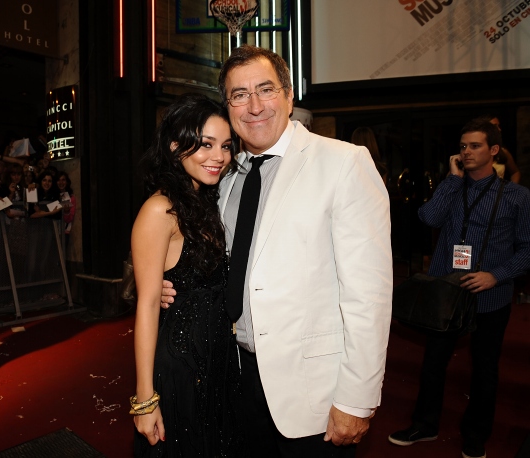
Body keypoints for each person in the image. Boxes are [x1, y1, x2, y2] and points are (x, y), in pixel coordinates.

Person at [161, 45, 392, 457]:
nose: (254, 106)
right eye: (239, 95)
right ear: (227, 106)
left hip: (313, 390)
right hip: (234, 377)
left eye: (265, 89)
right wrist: (170, 284)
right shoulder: (225, 177)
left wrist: (357, 398)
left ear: (288, 95)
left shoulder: (342, 163)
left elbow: (369, 296)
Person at [388, 118, 530, 458]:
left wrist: (495, 275)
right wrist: (452, 180)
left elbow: (527, 249)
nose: (466, 152)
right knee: (433, 362)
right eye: (463, 146)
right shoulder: (453, 188)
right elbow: (429, 218)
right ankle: (425, 425)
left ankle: (475, 436)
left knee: (485, 368)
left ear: (494, 150)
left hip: (490, 295)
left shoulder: (517, 196)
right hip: (445, 293)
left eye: (475, 146)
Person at [132, 93, 242, 457]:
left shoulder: (206, 201)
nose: (219, 156)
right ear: (176, 146)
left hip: (218, 360)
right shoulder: (160, 209)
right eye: (206, 144)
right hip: (182, 365)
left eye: (225, 146)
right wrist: (145, 399)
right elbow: (148, 305)